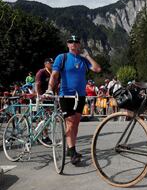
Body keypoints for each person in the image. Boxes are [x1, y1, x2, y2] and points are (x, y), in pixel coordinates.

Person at [45, 35, 101, 165]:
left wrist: (87, 56)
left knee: (76, 123)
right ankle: (72, 151)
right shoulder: (62, 57)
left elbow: (97, 69)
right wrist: (49, 89)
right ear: (68, 44)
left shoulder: (83, 60)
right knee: (70, 123)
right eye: (71, 42)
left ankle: (71, 149)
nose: (74, 44)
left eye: (76, 42)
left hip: (80, 96)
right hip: (66, 95)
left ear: (79, 44)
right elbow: (54, 75)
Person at [35, 58, 54, 144]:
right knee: (44, 117)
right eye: (50, 63)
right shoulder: (41, 72)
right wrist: (39, 95)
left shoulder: (53, 73)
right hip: (41, 96)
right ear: (45, 64)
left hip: (50, 97)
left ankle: (40, 134)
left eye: (52, 63)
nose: (52, 64)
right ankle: (44, 136)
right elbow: (37, 84)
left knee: (47, 117)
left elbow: (56, 85)